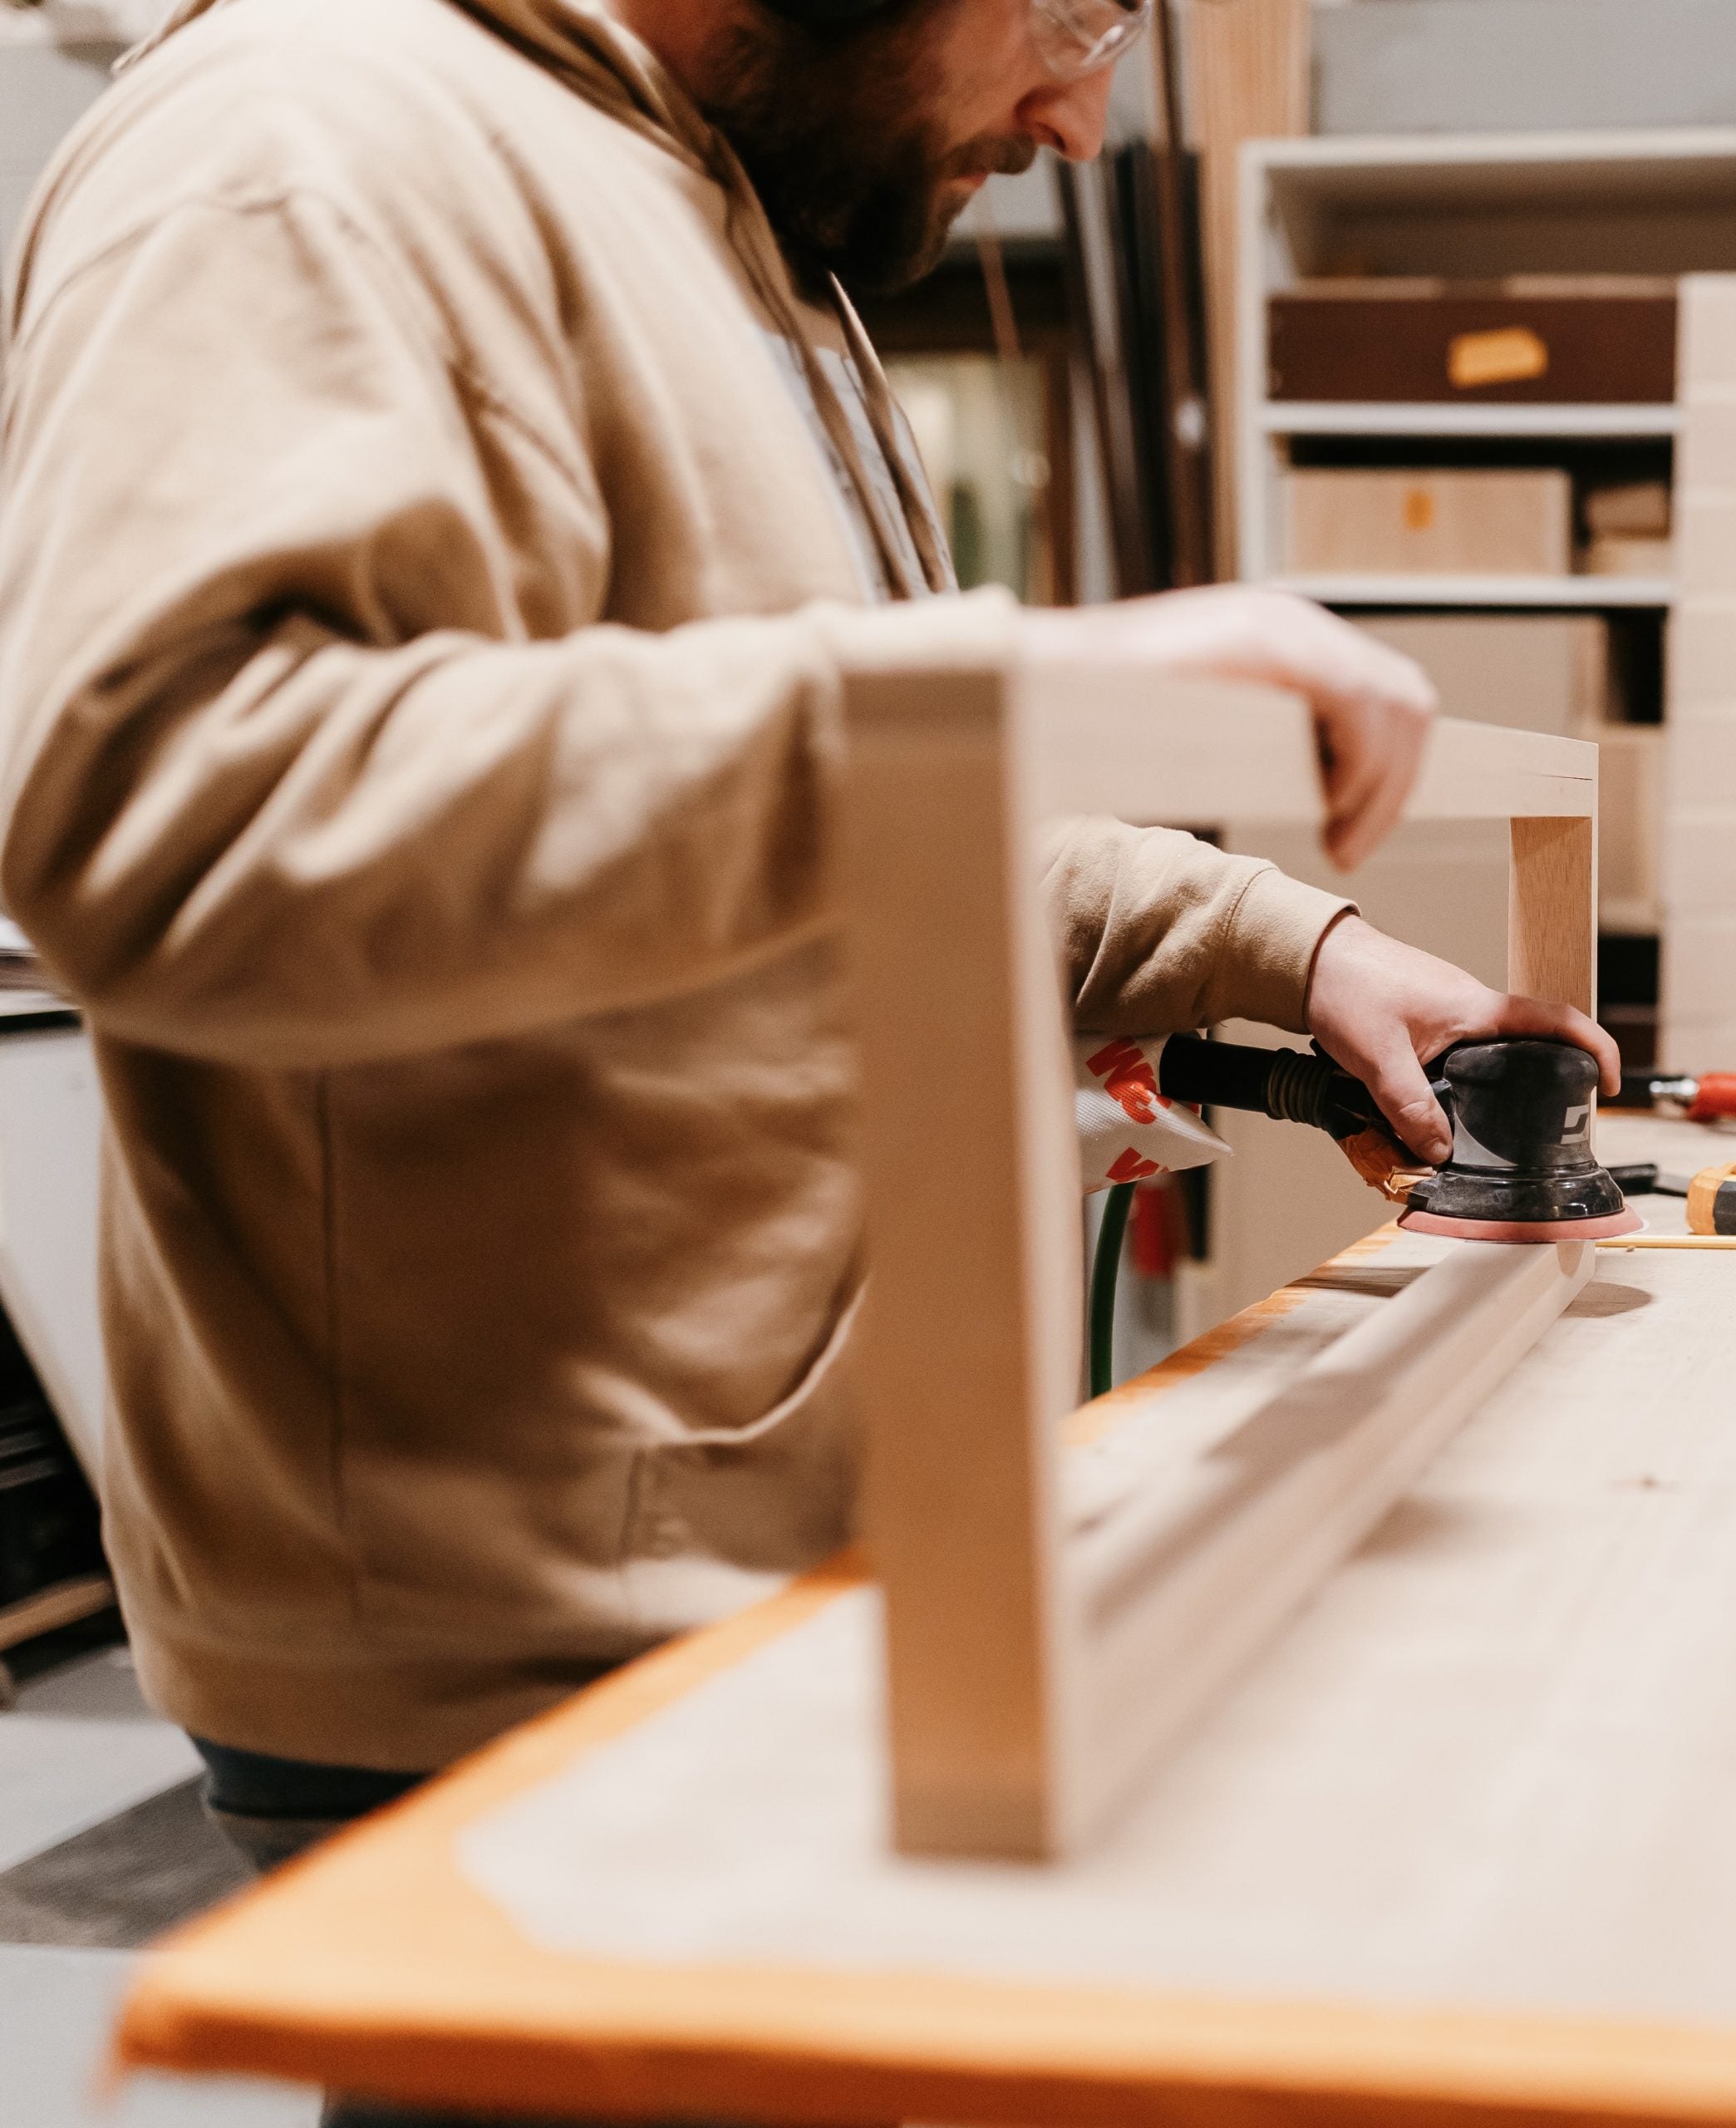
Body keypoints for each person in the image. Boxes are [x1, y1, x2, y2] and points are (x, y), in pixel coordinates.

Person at [0, 2, 1617, 2119]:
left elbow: (843, 799)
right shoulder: (307, 139)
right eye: (1067, 12)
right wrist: (992, 676)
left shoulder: (733, 216)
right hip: (527, 1653)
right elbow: (171, 819)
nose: (1076, 108)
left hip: (797, 1581)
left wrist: (1274, 942)